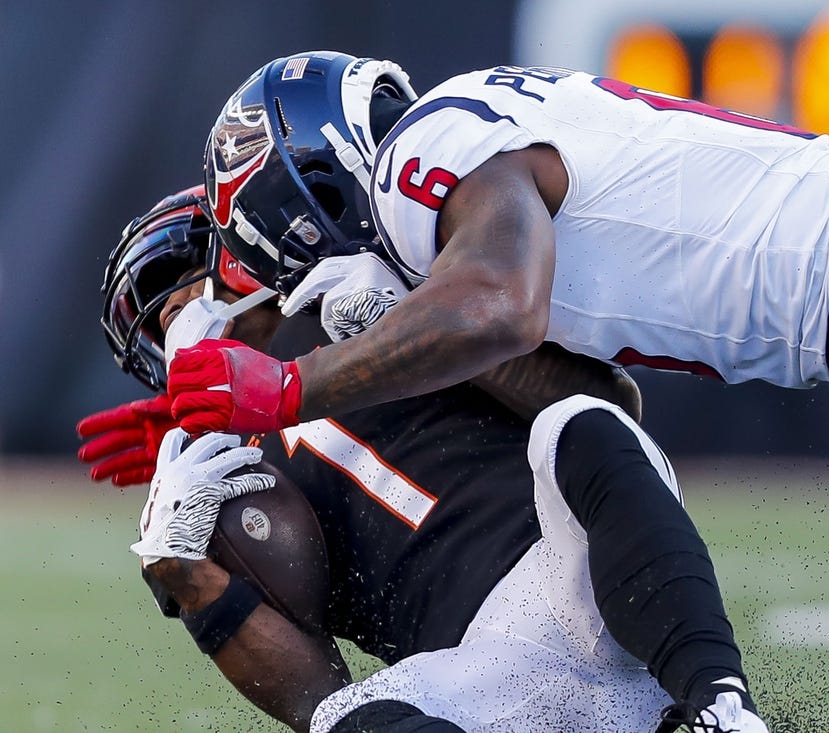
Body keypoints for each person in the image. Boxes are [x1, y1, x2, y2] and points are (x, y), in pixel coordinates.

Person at [168, 50, 829, 682]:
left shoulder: (423, 152)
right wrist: (379, 322)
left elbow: (499, 305)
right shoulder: (454, 192)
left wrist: (290, 387)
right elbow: (597, 406)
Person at [80, 187, 770, 732]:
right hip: (493, 673)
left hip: (593, 564)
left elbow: (611, 405)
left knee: (574, 422)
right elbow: (316, 696)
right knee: (341, 717)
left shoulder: (369, 290)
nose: (190, 328)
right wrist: (191, 582)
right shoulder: (205, 479)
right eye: (169, 323)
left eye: (184, 300)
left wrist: (422, 321)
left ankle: (723, 707)